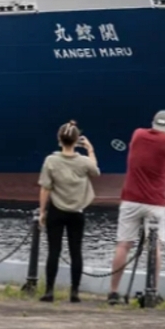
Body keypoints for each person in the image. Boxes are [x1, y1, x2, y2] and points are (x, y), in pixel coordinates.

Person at [107, 110, 165, 305]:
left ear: (152, 123)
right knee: (156, 248)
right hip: (155, 202)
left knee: (123, 245)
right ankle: (152, 291)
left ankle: (113, 292)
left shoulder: (137, 134)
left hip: (130, 199)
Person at [37, 121, 100, 303]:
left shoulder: (51, 161)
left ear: (59, 140)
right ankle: (74, 292)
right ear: (76, 141)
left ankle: (49, 291)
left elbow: (45, 188)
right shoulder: (83, 162)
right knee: (76, 252)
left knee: (54, 251)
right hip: (77, 211)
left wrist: (42, 211)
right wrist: (91, 150)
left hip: (56, 210)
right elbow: (95, 172)